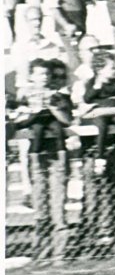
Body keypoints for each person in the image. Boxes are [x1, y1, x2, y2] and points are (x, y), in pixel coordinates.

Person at [9, 58, 73, 262]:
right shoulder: (25, 95)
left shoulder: (58, 95)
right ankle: (40, 251)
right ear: (31, 76)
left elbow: (67, 120)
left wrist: (52, 107)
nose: (43, 78)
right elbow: (18, 120)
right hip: (37, 155)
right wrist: (30, 111)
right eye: (38, 74)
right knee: (40, 204)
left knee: (58, 202)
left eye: (46, 74)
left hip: (57, 153)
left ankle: (59, 252)